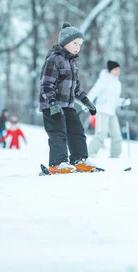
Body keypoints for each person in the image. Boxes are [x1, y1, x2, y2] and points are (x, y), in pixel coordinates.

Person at [39, 22, 98, 174]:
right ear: (65, 42)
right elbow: (46, 84)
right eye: (75, 43)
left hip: (67, 105)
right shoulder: (54, 59)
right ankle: (57, 163)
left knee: (77, 130)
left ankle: (79, 159)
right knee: (58, 132)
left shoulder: (72, 63)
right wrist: (52, 102)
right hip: (52, 105)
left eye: (80, 44)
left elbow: (76, 88)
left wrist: (88, 103)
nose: (78, 47)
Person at [87, 60, 131, 158]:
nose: (117, 71)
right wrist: (86, 103)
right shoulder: (104, 79)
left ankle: (115, 156)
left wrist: (123, 102)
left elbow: (114, 99)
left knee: (117, 136)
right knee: (101, 134)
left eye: (118, 69)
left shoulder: (117, 83)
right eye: (115, 69)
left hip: (112, 112)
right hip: (102, 111)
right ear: (110, 70)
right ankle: (89, 154)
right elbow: (94, 92)